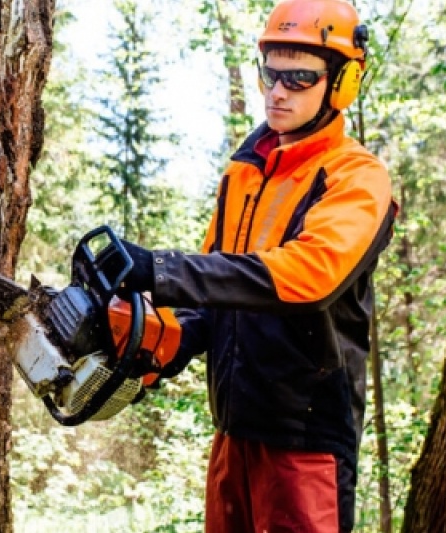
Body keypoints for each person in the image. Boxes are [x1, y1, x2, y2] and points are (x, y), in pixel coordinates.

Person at [104, 0, 398, 531]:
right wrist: (152, 335)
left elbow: (308, 276)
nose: (278, 90)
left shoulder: (356, 177)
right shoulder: (244, 175)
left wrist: (163, 271)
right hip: (233, 432)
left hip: (304, 443)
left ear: (342, 83)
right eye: (271, 74)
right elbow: (216, 295)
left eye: (300, 77)